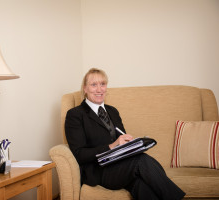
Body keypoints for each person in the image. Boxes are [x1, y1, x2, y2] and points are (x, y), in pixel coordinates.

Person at [65, 68, 185, 200]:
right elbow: (79, 154)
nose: (99, 89)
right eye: (94, 85)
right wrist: (112, 146)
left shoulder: (113, 111)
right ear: (85, 89)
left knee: (141, 185)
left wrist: (131, 146)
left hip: (120, 165)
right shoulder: (75, 114)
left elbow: (121, 141)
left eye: (103, 84)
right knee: (142, 160)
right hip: (98, 170)